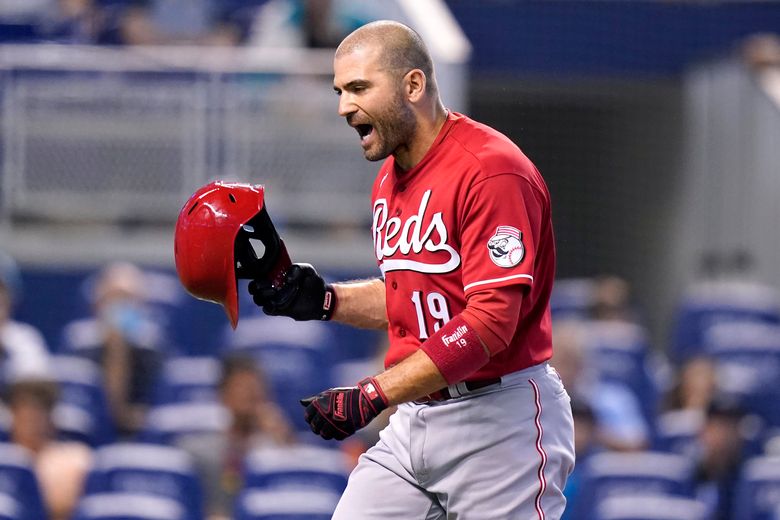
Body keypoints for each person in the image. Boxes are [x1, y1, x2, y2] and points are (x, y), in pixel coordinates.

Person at [248, 20, 575, 519]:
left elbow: (490, 322)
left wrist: (374, 393)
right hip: (417, 417)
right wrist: (326, 301)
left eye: (358, 87)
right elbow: (418, 298)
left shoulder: (492, 170)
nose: (343, 106)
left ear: (413, 86)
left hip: (500, 421)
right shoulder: (388, 179)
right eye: (339, 91)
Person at [175, 354, 295, 520]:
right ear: (223, 394)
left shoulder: (276, 447)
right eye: (242, 387)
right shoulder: (197, 451)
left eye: (255, 388)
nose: (250, 395)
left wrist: (282, 439)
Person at [61, 262, 164, 437]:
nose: (120, 307)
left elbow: (154, 413)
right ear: (97, 305)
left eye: (127, 300)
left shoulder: (153, 353)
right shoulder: (79, 351)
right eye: (113, 298)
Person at [5, 379, 93, 520]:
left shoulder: (75, 458)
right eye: (24, 415)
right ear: (14, 416)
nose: (31, 423)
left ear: (51, 416)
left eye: (37, 414)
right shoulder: (4, 458)